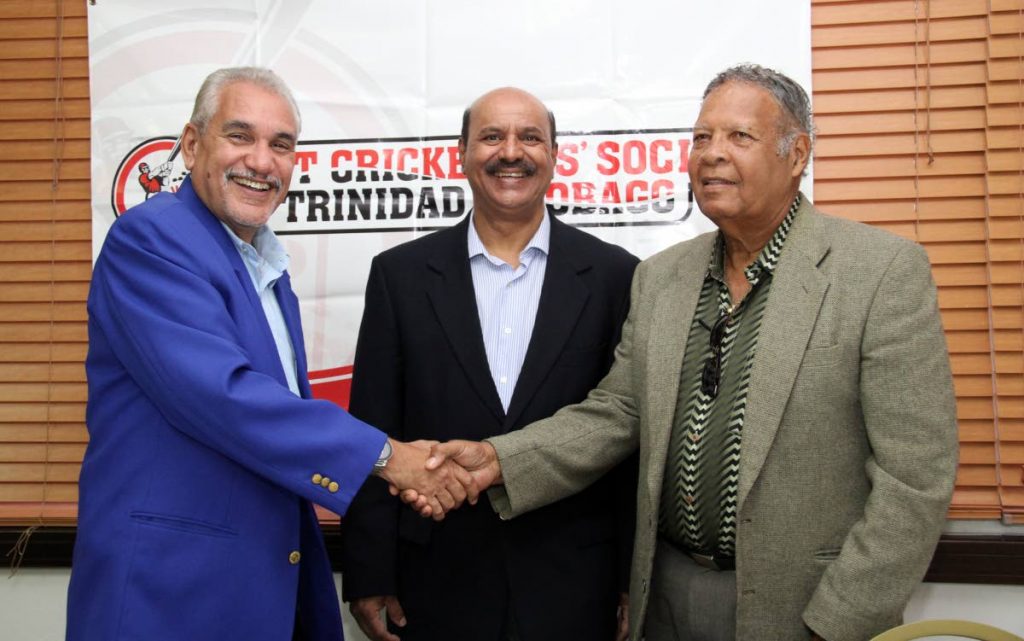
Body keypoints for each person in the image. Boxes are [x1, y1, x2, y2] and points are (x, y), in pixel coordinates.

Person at [417, 65, 959, 641]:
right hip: (667, 602)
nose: (711, 155)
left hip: (804, 609)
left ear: (796, 154)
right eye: (701, 138)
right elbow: (617, 414)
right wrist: (500, 459)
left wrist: (839, 621)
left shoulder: (879, 273)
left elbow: (916, 478)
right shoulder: (661, 278)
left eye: (739, 137)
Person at [67, 66, 471, 641]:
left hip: (262, 583)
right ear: (189, 143)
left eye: (281, 145)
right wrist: (390, 458)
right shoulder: (151, 238)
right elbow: (223, 397)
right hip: (171, 594)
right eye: (240, 135)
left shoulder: (266, 267)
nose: (262, 161)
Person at [339, 87, 639, 641]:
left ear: (554, 155)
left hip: (575, 581)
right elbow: (372, 429)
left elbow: (625, 438)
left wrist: (630, 579)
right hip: (435, 579)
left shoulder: (617, 276)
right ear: (461, 153)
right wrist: (369, 571)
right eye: (492, 136)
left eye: (530, 137)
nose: (511, 152)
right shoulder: (399, 277)